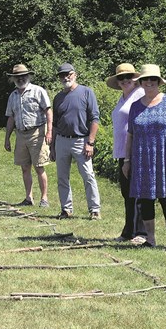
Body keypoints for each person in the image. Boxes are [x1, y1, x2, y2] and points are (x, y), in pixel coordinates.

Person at [122, 64, 166, 250]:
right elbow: (130, 135)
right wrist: (127, 161)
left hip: (165, 158)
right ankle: (150, 239)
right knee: (145, 200)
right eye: (145, 79)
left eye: (153, 79)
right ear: (140, 82)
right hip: (142, 159)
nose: (149, 82)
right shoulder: (135, 106)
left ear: (158, 82)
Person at [50, 63, 102, 220]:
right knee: (62, 177)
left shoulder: (86, 92)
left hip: (81, 140)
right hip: (62, 141)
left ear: (75, 74)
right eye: (62, 75)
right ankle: (66, 209)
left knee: (88, 175)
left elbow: (94, 118)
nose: (65, 77)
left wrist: (90, 142)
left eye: (68, 74)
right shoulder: (58, 98)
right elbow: (55, 125)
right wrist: (52, 147)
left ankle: (94, 210)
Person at [106, 63, 147, 243]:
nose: (124, 81)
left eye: (128, 77)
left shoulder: (139, 95)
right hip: (122, 151)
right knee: (127, 192)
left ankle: (141, 232)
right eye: (121, 78)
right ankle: (128, 230)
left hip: (135, 151)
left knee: (137, 192)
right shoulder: (123, 98)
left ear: (135, 79)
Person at [4, 64, 53, 208]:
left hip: (37, 132)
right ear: (13, 78)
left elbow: (48, 111)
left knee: (39, 167)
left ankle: (44, 198)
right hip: (20, 134)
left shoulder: (38, 91)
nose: (21, 79)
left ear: (28, 76)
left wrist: (49, 131)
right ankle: (28, 197)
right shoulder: (13, 96)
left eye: (23, 76)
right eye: (18, 77)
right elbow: (11, 118)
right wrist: (7, 138)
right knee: (25, 167)